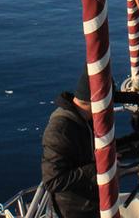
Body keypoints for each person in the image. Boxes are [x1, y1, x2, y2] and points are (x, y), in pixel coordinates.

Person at [40, 72, 100, 218]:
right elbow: (53, 181)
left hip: (92, 205)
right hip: (74, 212)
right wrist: (97, 169)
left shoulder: (85, 120)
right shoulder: (60, 129)